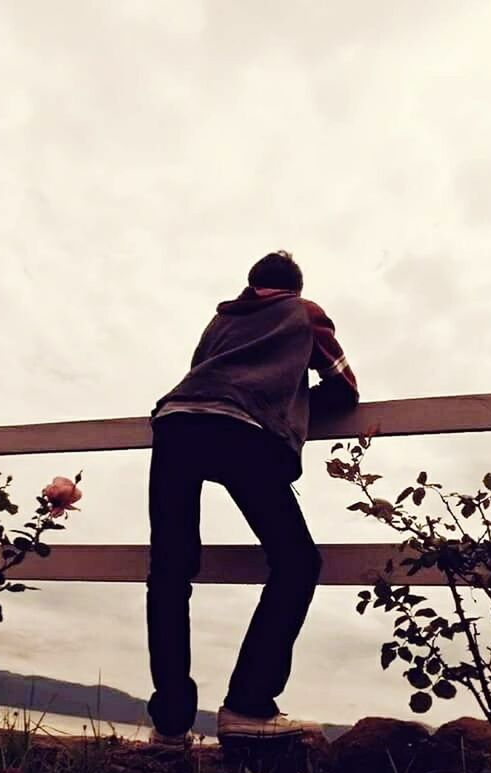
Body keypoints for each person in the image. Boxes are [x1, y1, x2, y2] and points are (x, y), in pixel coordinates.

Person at [146, 251, 359, 747]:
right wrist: (296, 399)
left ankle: (172, 722)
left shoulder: (219, 322)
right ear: (294, 287)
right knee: (297, 563)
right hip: (240, 430)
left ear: (252, 284)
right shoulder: (304, 313)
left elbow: (207, 374)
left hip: (176, 423)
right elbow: (344, 387)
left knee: (171, 571)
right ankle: (248, 704)